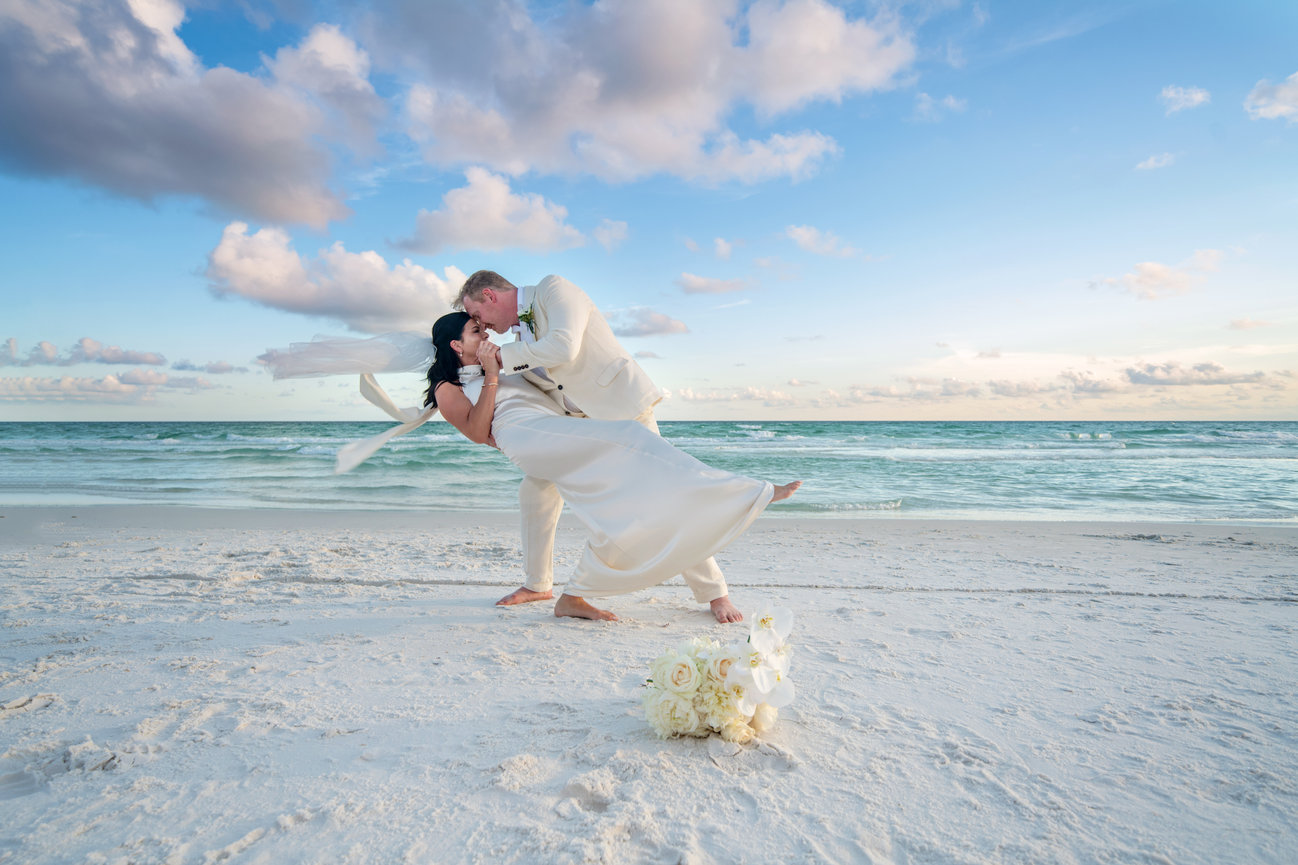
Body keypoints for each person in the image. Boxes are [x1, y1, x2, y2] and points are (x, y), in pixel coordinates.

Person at [427, 311, 800, 621]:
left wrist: (502, 367)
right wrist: (491, 374)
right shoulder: (449, 387)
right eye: (477, 330)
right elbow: (478, 432)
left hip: (559, 433)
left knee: (637, 495)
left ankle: (572, 595)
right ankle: (749, 493)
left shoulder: (511, 362)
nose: (487, 332)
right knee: (632, 439)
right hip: (529, 438)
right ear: (456, 345)